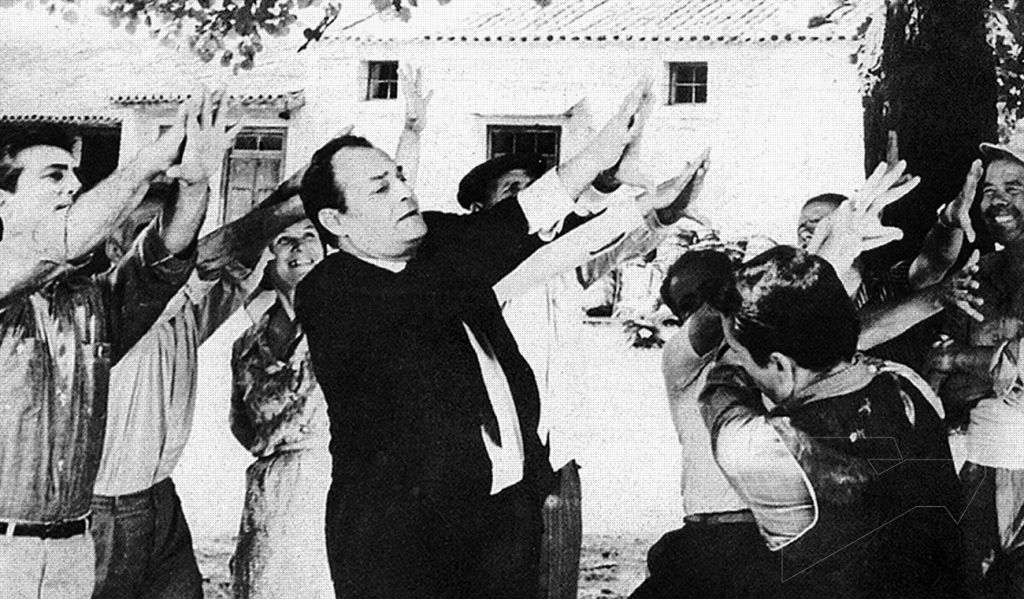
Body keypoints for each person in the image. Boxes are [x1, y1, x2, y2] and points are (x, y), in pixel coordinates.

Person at [294, 82, 657, 598]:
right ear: (335, 221)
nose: (405, 192)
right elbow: (498, 234)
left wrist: (631, 199)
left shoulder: (435, 250)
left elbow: (537, 246)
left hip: (501, 522)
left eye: (400, 177)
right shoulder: (331, 292)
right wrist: (593, 159)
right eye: (380, 189)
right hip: (402, 549)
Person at [89, 88, 335, 599]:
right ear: (115, 245)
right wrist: (285, 201)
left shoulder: (185, 315)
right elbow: (211, 255)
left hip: (160, 500)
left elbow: (238, 265)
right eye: (148, 235)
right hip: (105, 512)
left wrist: (296, 196)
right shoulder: (109, 310)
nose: (170, 247)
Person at [456, 147, 709, 599]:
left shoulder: (562, 268)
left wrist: (665, 215)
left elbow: (617, 246)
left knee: (556, 581)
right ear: (479, 212)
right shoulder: (473, 272)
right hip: (499, 462)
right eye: (513, 192)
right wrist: (609, 185)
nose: (532, 201)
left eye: (535, 190)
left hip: (559, 455)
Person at [0, 98, 206, 598]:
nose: (73, 185)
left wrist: (195, 183)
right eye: (54, 176)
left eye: (74, 174)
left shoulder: (88, 299)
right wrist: (150, 161)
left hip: (75, 550)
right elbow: (61, 240)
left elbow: (162, 261)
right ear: (2, 202)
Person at [700, 245, 965, 599]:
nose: (739, 362)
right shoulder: (907, 383)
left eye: (739, 354)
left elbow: (720, 396)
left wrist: (728, 361)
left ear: (779, 364)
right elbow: (847, 350)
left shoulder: (764, 449)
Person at [630, 249, 777, 599]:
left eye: (711, 290)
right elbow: (713, 317)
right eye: (688, 304)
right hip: (705, 540)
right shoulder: (679, 359)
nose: (702, 307)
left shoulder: (777, 349)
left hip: (768, 540)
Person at [926, 140, 1024, 598]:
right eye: (988, 191)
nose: (998, 201)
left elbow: (949, 361)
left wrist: (961, 359)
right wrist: (994, 367)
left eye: (1014, 187)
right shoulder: (979, 273)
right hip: (982, 466)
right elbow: (940, 383)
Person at [229, 219, 333, 599]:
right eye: (285, 240)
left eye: (310, 236)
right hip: (270, 506)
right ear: (267, 259)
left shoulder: (355, 321)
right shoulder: (246, 345)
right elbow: (241, 425)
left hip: (335, 494)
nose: (299, 248)